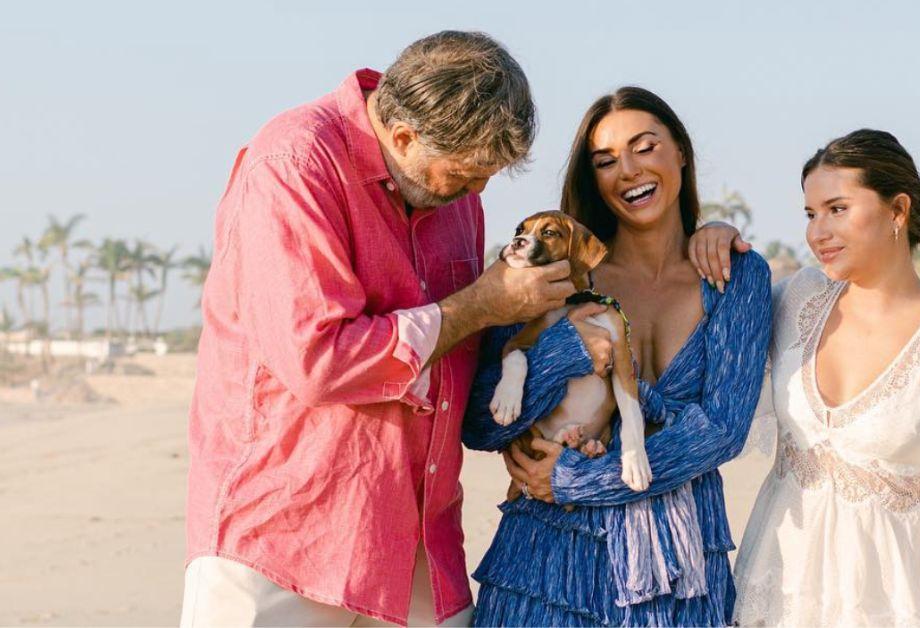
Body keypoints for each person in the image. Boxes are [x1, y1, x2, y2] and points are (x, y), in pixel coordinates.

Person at [182, 31, 576, 626]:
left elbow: (464, 357)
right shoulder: (293, 164)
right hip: (283, 541)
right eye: (466, 174)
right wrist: (480, 306)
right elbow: (319, 360)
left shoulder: (456, 194)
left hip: (419, 542)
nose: (478, 193)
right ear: (402, 137)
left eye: (488, 177)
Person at [709, 129, 920, 627]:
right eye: (810, 213)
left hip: (892, 604)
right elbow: (709, 334)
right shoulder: (797, 299)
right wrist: (711, 232)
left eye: (837, 209)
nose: (817, 231)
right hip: (776, 593)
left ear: (898, 211)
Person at [461, 86, 772, 626]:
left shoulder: (736, 277)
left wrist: (578, 480)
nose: (627, 170)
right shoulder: (544, 277)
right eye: (605, 161)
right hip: (543, 570)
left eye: (644, 147)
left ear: (681, 152)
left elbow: (722, 429)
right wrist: (563, 351)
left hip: (678, 572)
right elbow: (480, 427)